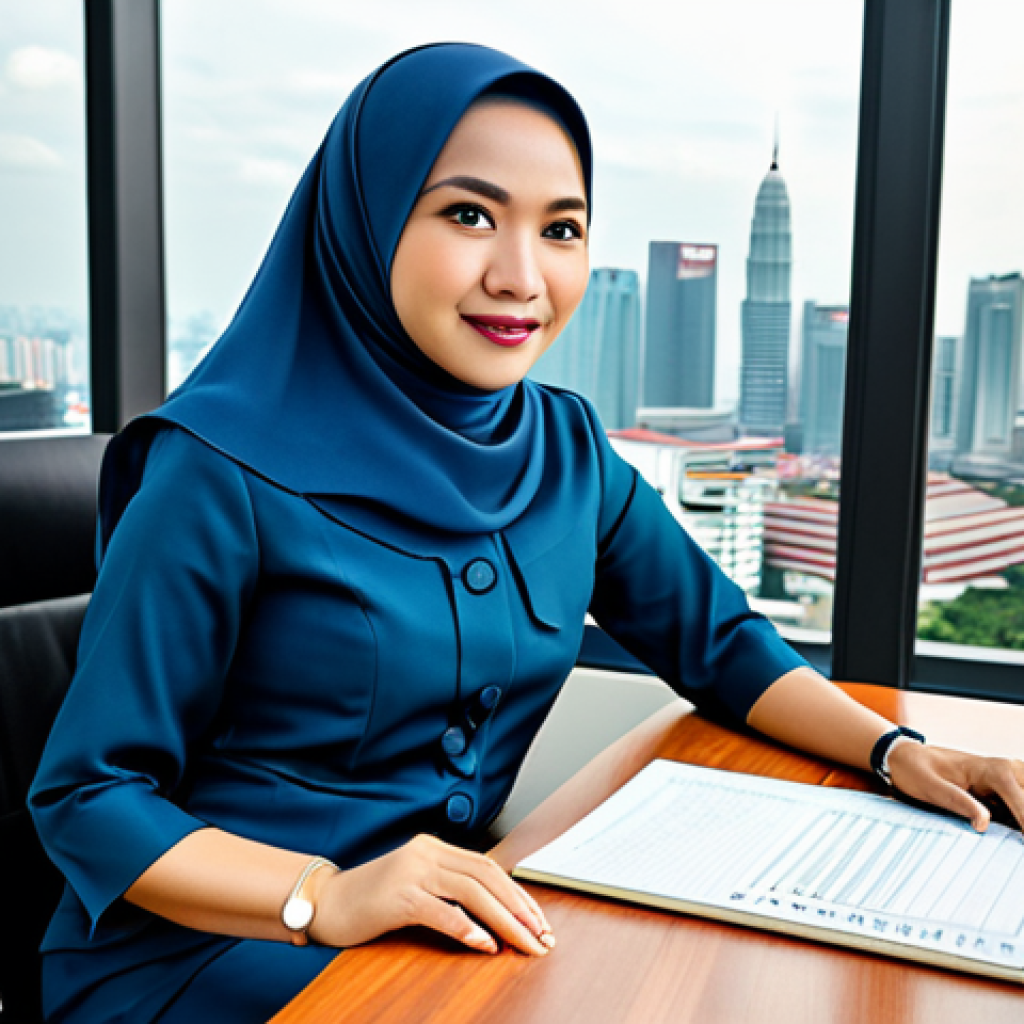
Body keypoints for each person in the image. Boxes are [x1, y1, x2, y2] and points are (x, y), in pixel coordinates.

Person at [28, 42, 1024, 1024]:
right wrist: (323, 895)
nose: (520, 275)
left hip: (438, 923)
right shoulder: (213, 468)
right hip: (207, 953)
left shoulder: (561, 445)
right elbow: (87, 794)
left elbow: (718, 642)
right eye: (468, 215)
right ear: (367, 223)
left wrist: (896, 752)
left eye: (561, 229)